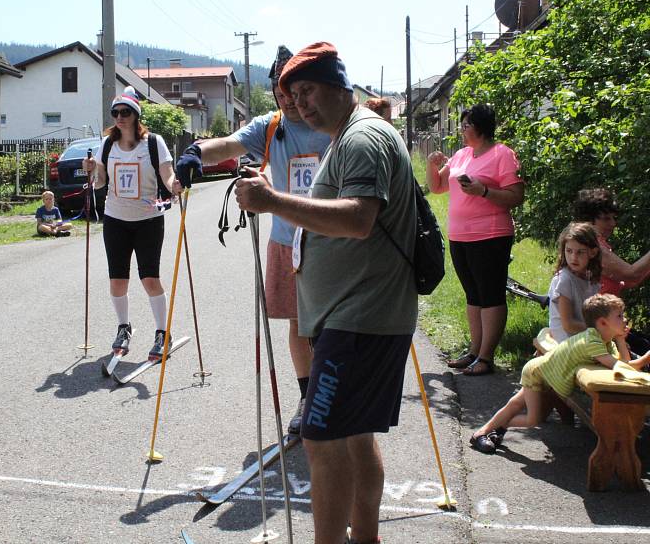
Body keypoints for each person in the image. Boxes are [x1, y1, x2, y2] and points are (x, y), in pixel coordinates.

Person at [235, 42, 417, 544]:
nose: (301, 104)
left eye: (310, 90)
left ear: (339, 84)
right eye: (293, 95)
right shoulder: (346, 137)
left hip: (359, 318)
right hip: (358, 316)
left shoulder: (361, 139)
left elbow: (359, 218)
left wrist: (272, 200)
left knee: (321, 441)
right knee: (356, 438)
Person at [175, 45, 331, 434]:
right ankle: (308, 398)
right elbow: (228, 144)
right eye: (281, 93)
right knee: (298, 325)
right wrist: (196, 152)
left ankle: (333, 397)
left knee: (331, 327)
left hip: (331, 238)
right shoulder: (270, 126)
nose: (289, 100)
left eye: (294, 92)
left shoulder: (330, 124)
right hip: (285, 240)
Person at [469, 293, 650, 454]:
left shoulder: (605, 342)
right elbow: (619, 366)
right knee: (533, 418)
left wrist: (620, 340)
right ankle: (497, 428)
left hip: (547, 374)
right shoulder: (592, 341)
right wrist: (645, 358)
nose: (625, 320)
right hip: (538, 374)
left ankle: (485, 431)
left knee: (514, 405)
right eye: (619, 316)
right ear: (603, 322)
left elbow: (624, 365)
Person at [82, 86, 182, 361]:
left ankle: (163, 333)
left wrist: (175, 185)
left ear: (136, 114)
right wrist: (90, 172)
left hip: (148, 219)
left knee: (149, 278)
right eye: (115, 113)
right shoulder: (107, 145)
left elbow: (167, 175)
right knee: (117, 280)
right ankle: (123, 328)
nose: (120, 117)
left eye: (125, 112)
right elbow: (100, 182)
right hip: (115, 219)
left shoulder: (153, 142)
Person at [426, 104, 525, 376]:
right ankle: (474, 351)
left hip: (491, 235)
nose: (461, 129)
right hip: (460, 235)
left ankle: (486, 357)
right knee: (473, 294)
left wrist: (483, 191)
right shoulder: (460, 155)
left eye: (466, 124)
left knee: (490, 294)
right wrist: (432, 165)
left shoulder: (502, 154)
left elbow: (516, 196)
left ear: (481, 127)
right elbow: (437, 187)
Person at [572, 188, 650, 356]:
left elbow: (630, 280)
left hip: (606, 324)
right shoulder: (592, 247)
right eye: (606, 219)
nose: (613, 223)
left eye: (613, 218)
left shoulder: (598, 244)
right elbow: (631, 274)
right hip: (595, 329)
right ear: (589, 221)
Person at [546, 223, 601, 341]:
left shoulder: (591, 279)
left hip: (584, 336)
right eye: (569, 251)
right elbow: (568, 324)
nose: (573, 257)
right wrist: (599, 329)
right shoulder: (564, 280)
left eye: (580, 252)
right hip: (567, 341)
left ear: (593, 252)